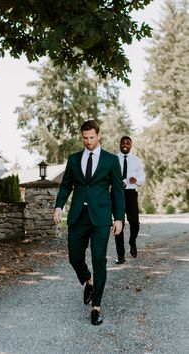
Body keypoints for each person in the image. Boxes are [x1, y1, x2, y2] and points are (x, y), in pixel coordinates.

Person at [53, 120, 125, 325]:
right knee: (74, 257)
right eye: (85, 138)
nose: (88, 141)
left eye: (91, 137)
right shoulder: (74, 159)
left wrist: (119, 217)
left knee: (98, 259)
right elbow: (66, 185)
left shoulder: (111, 160)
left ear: (98, 135)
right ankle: (89, 280)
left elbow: (118, 192)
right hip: (78, 215)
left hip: (101, 217)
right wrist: (59, 206)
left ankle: (96, 307)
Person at [115, 136, 145, 264]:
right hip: (117, 194)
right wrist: (116, 183)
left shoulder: (136, 160)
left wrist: (136, 180)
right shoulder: (114, 159)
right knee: (118, 223)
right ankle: (120, 256)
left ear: (131, 145)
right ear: (120, 144)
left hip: (131, 194)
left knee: (135, 223)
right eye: (123, 143)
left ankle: (132, 242)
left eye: (128, 143)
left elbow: (142, 178)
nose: (125, 145)